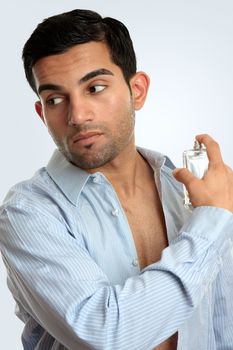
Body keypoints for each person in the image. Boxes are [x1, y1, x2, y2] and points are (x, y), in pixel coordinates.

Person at [0, 9, 233, 350]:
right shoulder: (27, 212)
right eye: (55, 99)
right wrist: (214, 221)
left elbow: (221, 320)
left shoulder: (189, 190)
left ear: (136, 90)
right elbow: (106, 334)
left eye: (95, 87)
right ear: (42, 113)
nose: (78, 115)